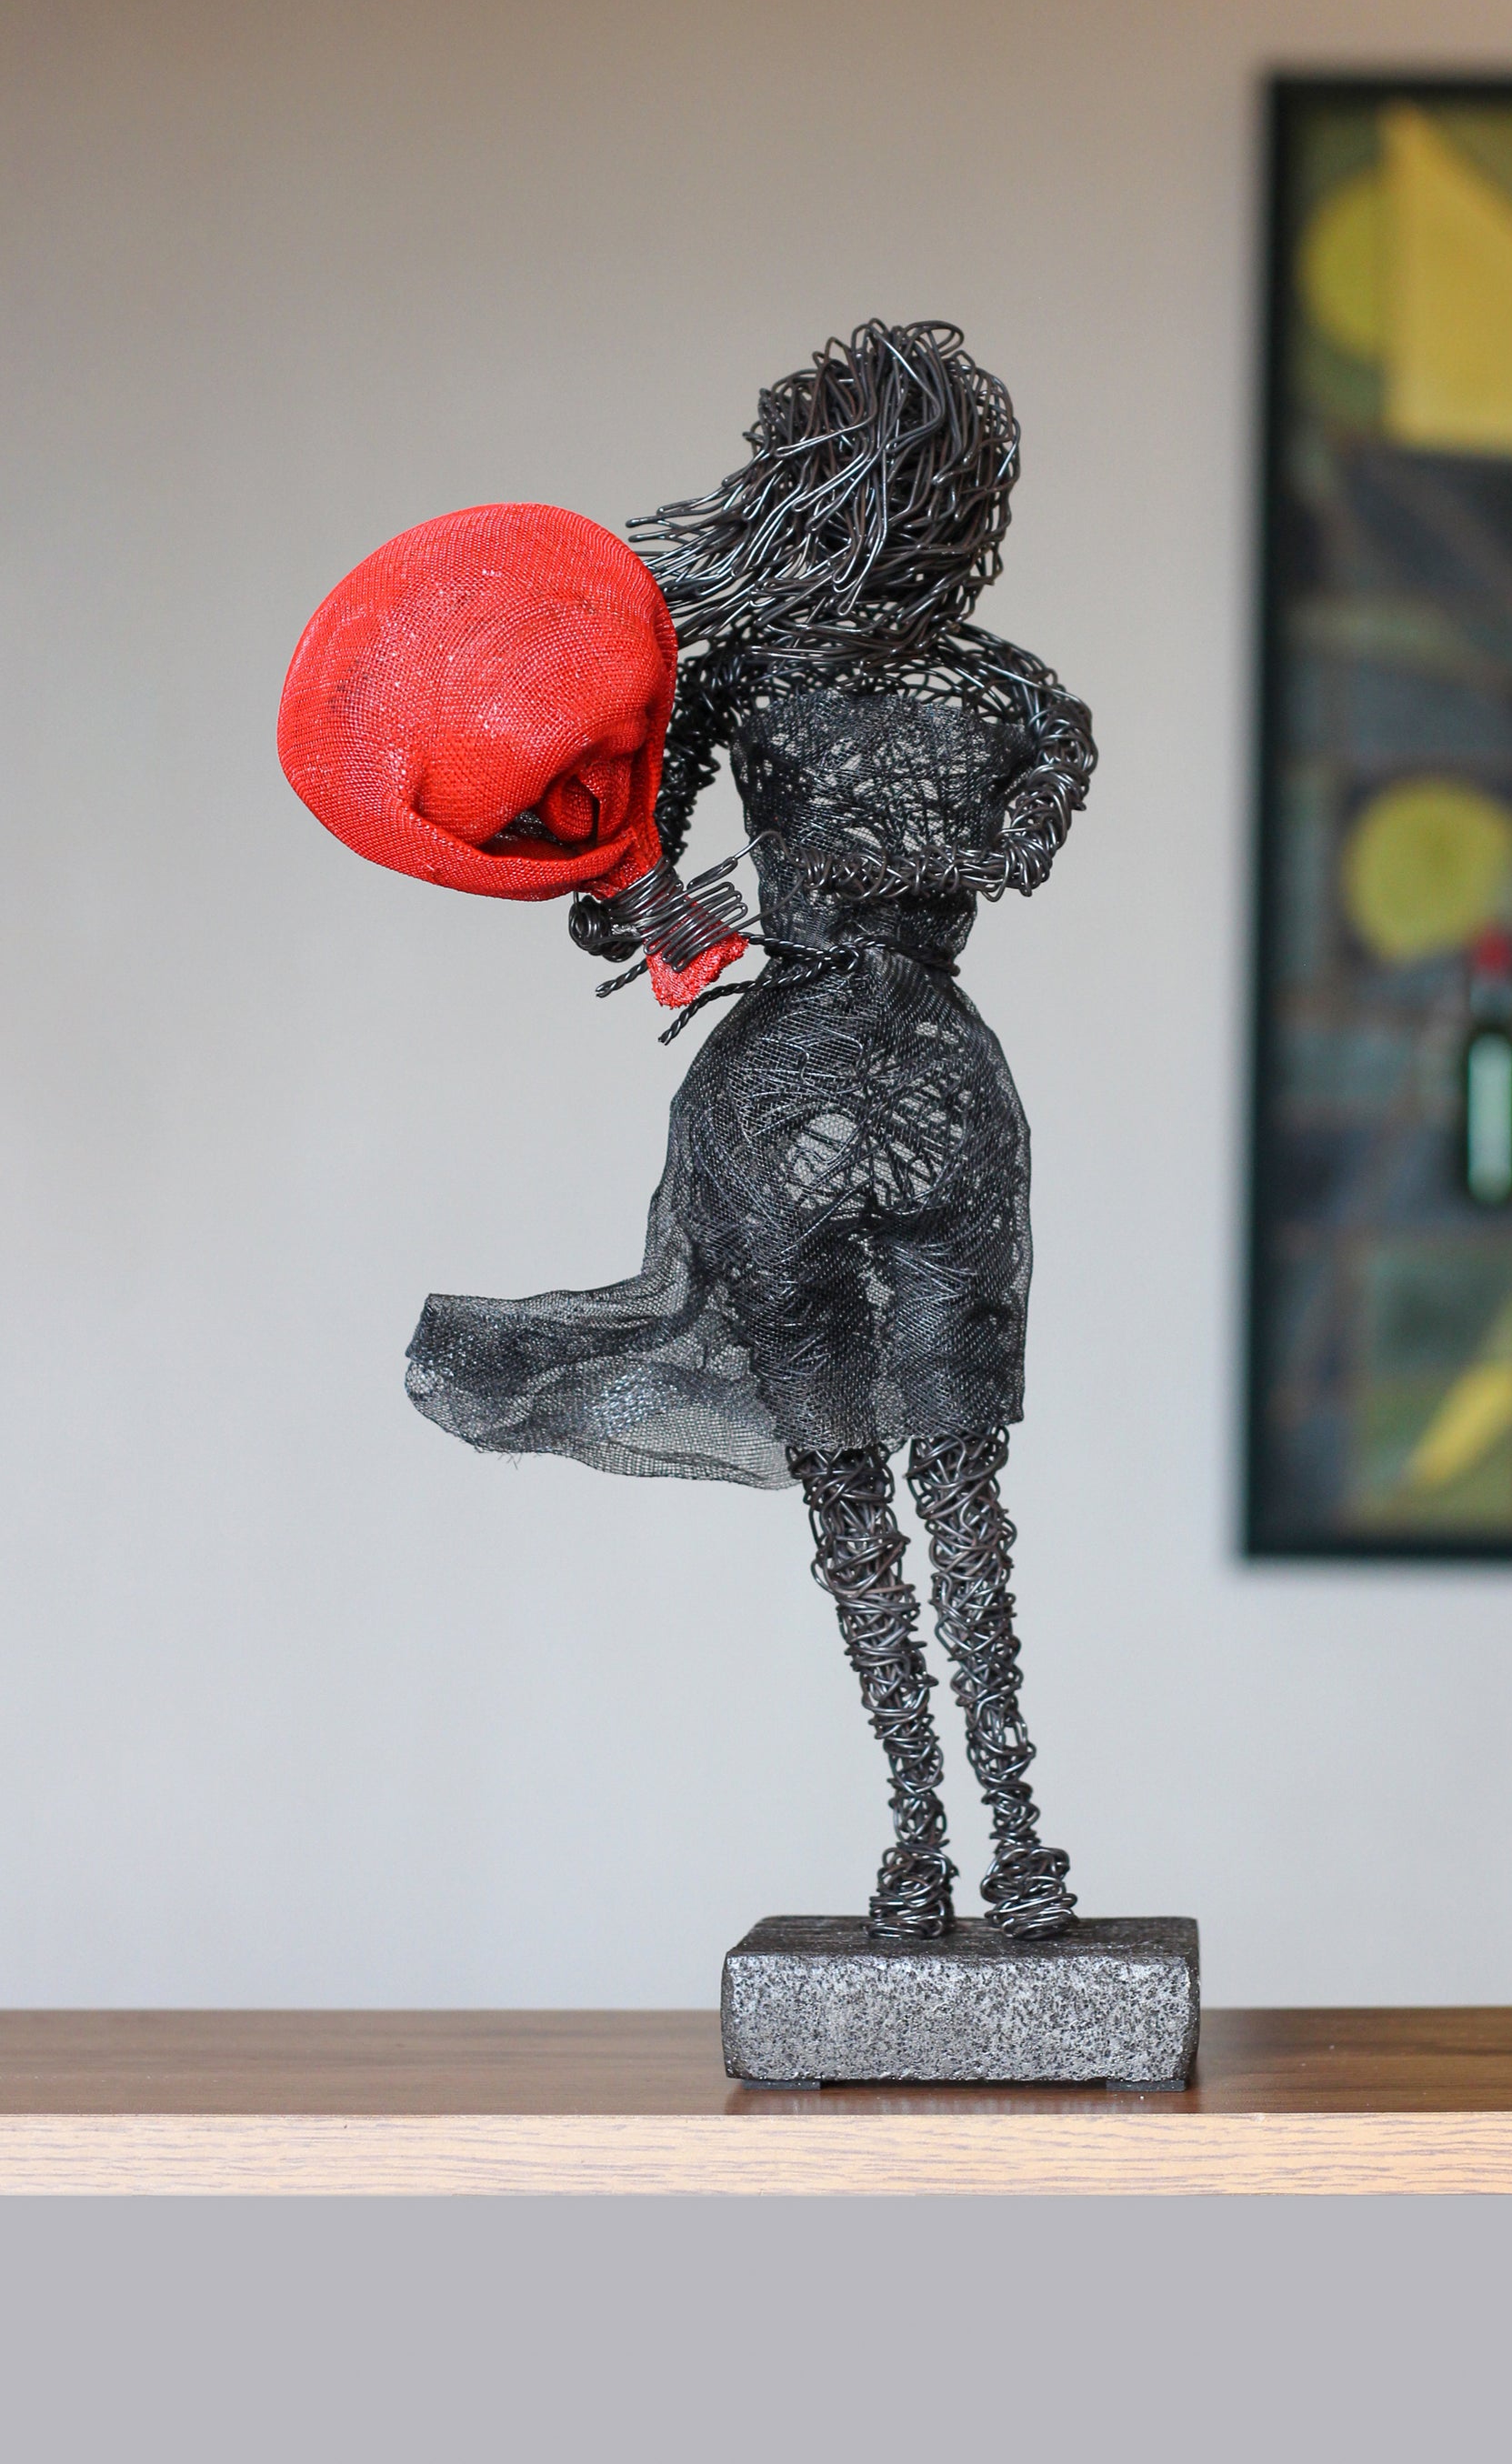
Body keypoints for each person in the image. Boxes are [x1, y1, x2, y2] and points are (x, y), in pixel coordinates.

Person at [406, 321, 1096, 1940]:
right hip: (924, 1097)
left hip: (801, 1098)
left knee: (870, 1485)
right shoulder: (1023, 702)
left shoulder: (775, 678)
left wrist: (670, 895)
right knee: (947, 1485)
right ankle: (996, 1842)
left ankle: (933, 1840)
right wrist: (661, 895)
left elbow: (619, 889)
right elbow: (1002, 858)